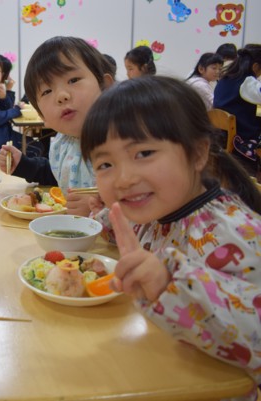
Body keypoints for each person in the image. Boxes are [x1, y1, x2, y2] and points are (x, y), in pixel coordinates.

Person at [80, 75, 261, 395]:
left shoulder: (236, 232)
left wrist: (170, 284)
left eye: (143, 153)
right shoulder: (158, 210)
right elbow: (130, 232)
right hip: (153, 373)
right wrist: (102, 219)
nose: (123, 179)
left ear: (198, 153)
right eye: (105, 164)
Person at [0, 36, 114, 216]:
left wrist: (99, 208)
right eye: (47, 91)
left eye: (73, 80)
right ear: (42, 116)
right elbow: (58, 174)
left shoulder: (120, 140)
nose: (61, 96)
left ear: (105, 86)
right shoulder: (63, 142)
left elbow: (139, 196)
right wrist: (23, 165)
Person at [213, 44, 261, 178]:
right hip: (241, 140)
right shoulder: (247, 82)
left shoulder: (225, 78)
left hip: (221, 137)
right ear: (255, 66)